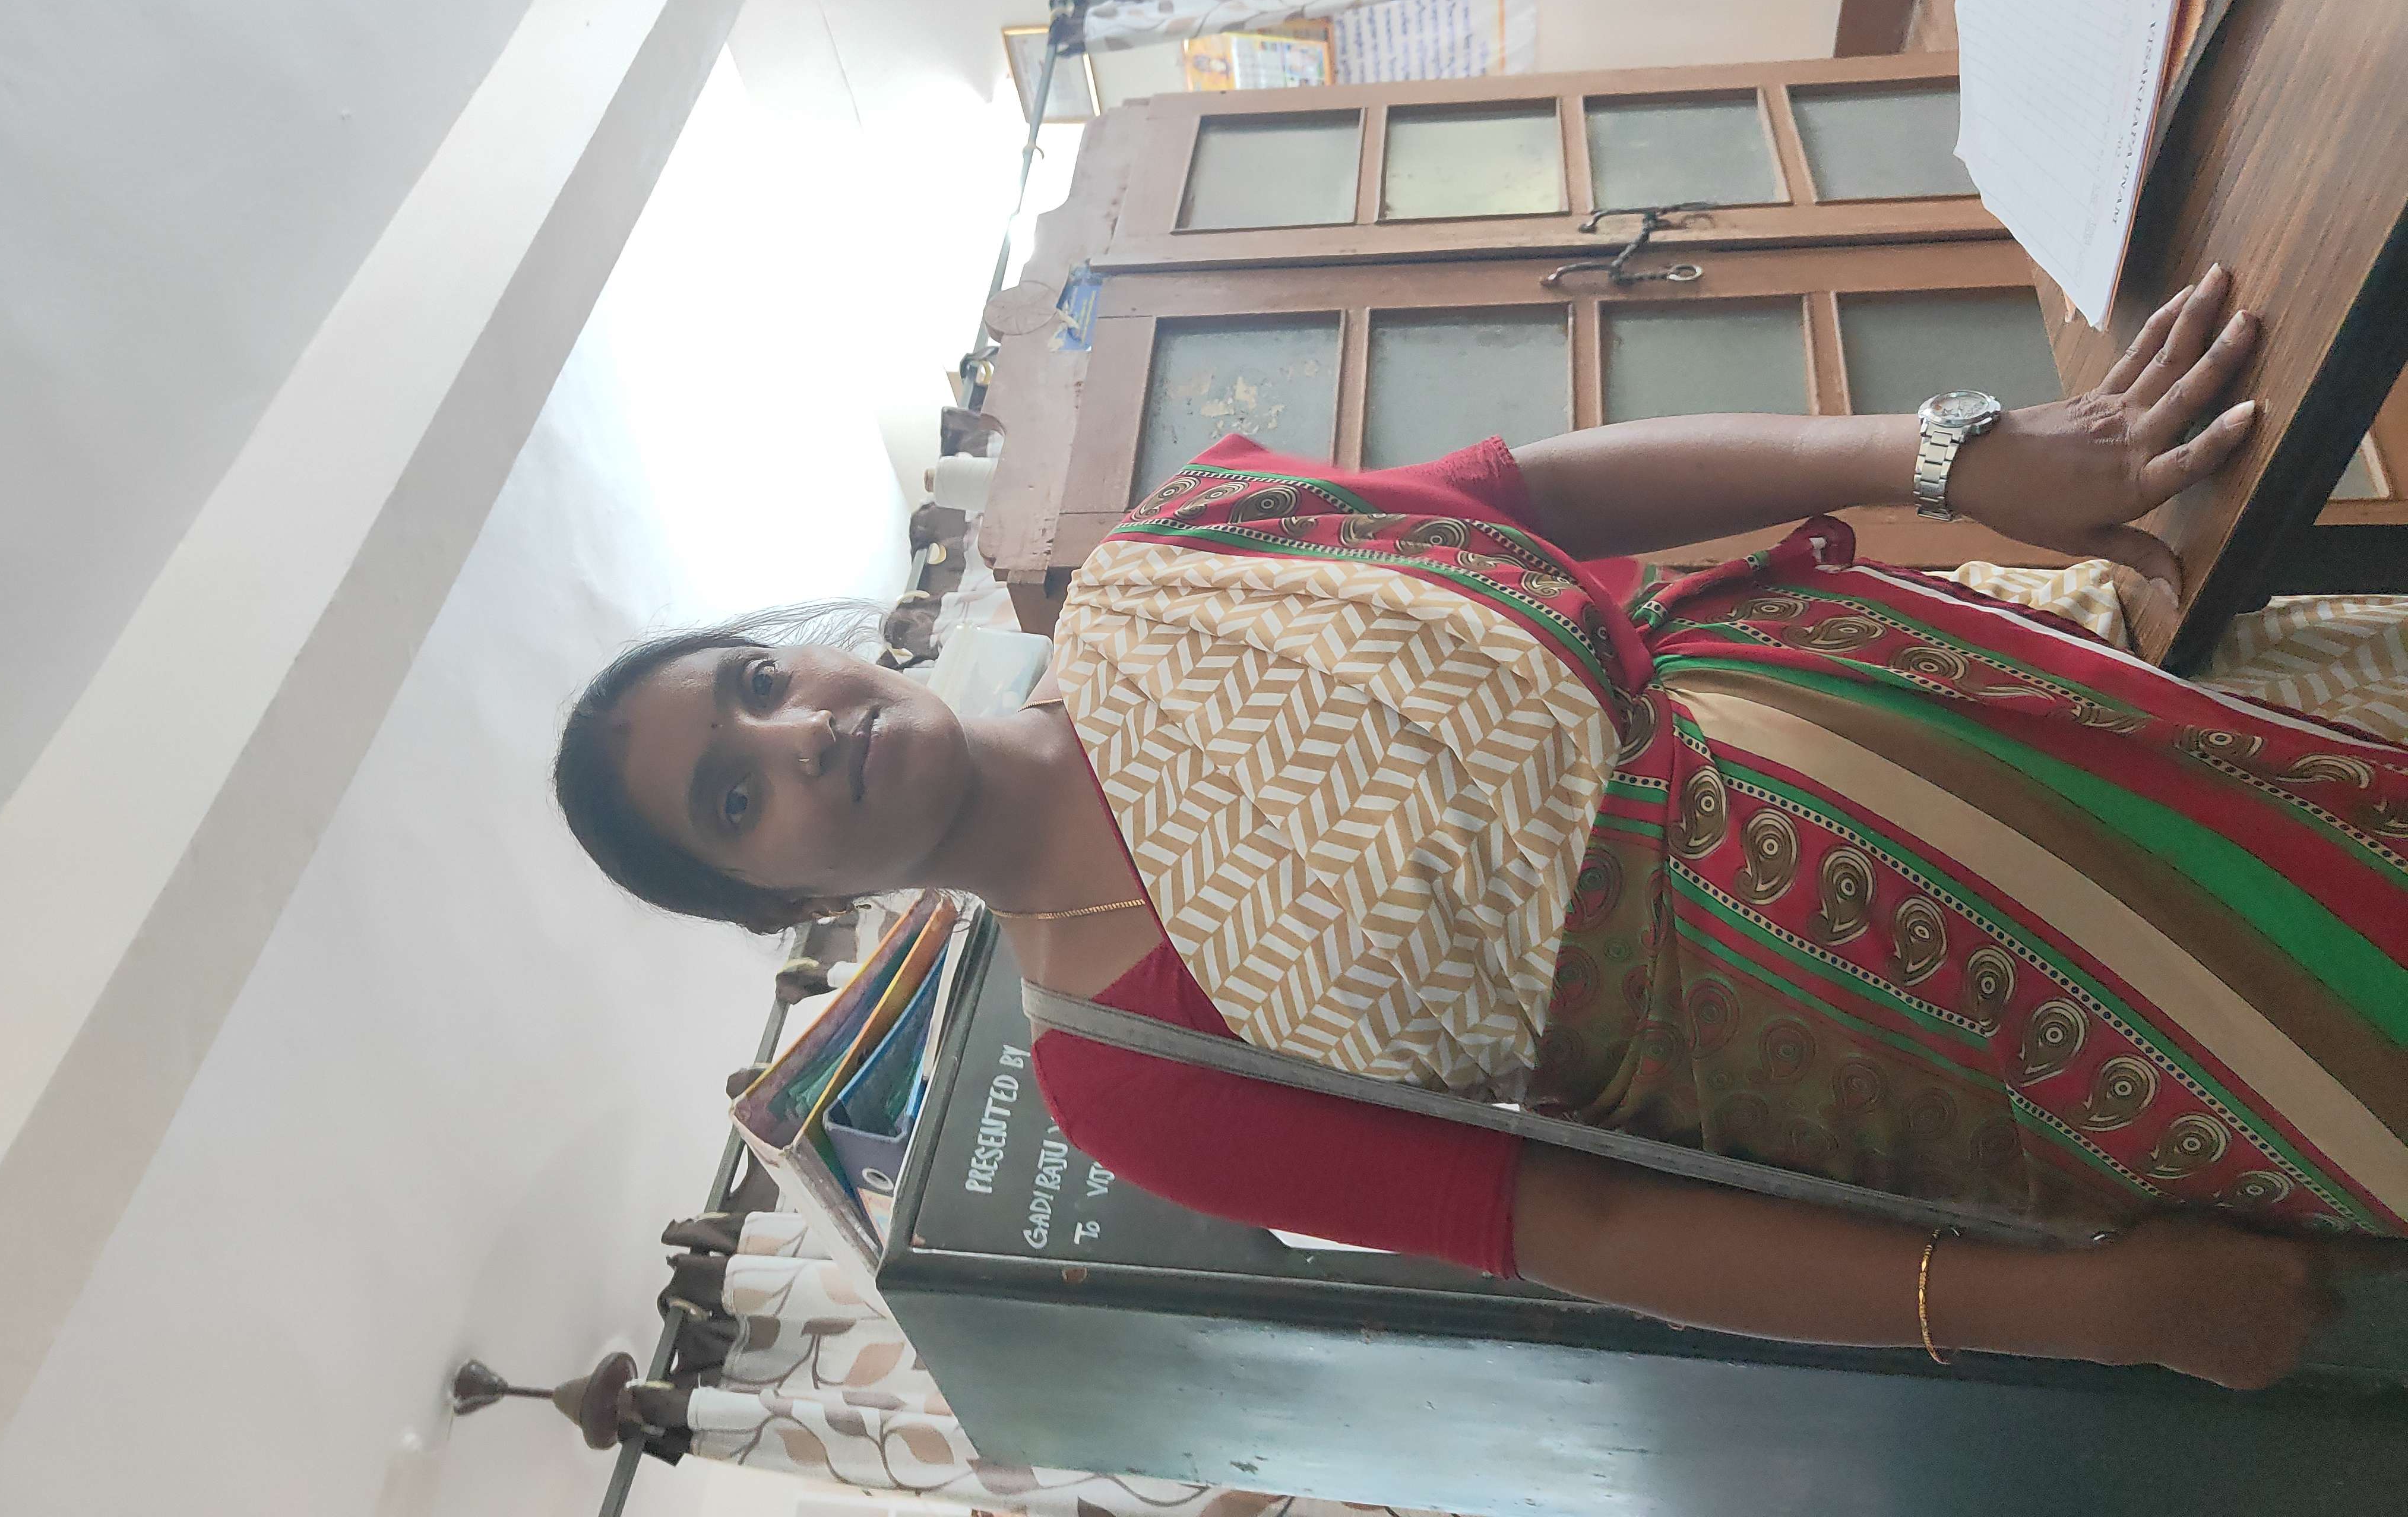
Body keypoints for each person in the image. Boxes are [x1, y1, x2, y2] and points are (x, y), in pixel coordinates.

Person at [555, 266, 2407, 1392]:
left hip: (1981, 697)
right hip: (1940, 1035)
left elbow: (1537, 491)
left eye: (756, 684)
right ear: (770, 907)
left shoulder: (1164, 563)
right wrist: (2096, 1316)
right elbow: (1589, 1225)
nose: (797, 735)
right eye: (737, 794)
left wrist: (1939, 457)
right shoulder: (1123, 1070)